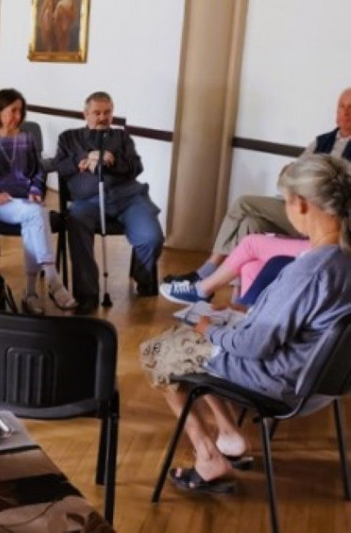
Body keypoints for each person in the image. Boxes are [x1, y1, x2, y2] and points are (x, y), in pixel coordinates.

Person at [140, 154, 351, 494]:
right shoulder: (342, 259)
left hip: (277, 380)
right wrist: (240, 318)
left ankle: (208, 456)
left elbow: (254, 346)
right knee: (189, 344)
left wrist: (210, 329)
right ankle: (229, 434)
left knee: (156, 351)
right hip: (323, 382)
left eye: (285, 201)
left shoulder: (310, 270)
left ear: (301, 204)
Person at [165, 87, 351, 284]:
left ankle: (206, 272)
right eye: (342, 107)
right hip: (298, 206)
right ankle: (236, 293)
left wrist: (301, 178)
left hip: (325, 220)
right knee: (250, 224)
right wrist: (294, 175)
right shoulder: (321, 141)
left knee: (244, 203)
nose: (346, 113)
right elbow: (290, 175)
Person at [0, 88, 76, 314]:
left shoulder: (27, 138)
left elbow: (38, 172)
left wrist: (35, 191)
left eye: (21, 111)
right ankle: (53, 281)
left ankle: (31, 294)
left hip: (26, 203)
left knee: (33, 217)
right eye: (13, 110)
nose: (18, 116)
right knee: (36, 213)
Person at [54, 91, 164, 310]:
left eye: (107, 112)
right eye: (97, 113)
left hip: (129, 198)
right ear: (85, 114)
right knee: (76, 221)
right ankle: (87, 294)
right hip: (88, 202)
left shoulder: (121, 137)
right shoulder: (69, 138)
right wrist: (84, 158)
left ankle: (143, 275)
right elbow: (59, 166)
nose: (103, 118)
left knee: (152, 238)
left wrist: (111, 161)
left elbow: (136, 167)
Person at [160, 233, 309, 305]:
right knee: (250, 266)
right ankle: (244, 318)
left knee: (250, 243)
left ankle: (202, 289)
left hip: (316, 250)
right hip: (311, 244)